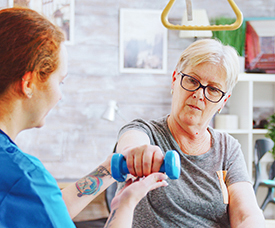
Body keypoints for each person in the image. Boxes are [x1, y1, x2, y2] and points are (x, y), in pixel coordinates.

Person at [0, 7, 168, 228]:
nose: (60, 96)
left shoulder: (19, 182)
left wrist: (109, 169)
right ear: (29, 83)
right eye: (60, 81)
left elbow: (44, 210)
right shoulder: (24, 177)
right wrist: (124, 204)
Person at [115, 39, 266, 227]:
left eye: (212, 89)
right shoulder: (145, 131)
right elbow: (131, 144)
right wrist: (138, 153)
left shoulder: (228, 149)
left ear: (223, 101)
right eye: (192, 80)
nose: (199, 94)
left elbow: (246, 214)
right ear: (174, 80)